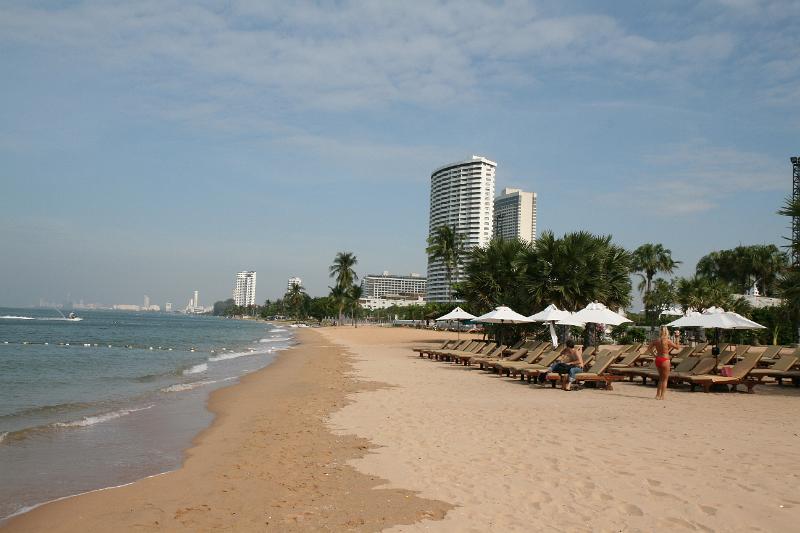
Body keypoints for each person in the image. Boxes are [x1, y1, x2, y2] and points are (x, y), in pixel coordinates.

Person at [648, 326, 681, 400]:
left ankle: (657, 395)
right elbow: (677, 347)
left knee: (660, 379)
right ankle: (662, 396)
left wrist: (654, 355)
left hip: (658, 359)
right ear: (667, 332)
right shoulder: (667, 341)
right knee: (665, 379)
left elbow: (649, 348)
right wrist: (677, 338)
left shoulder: (656, 340)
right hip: (665, 359)